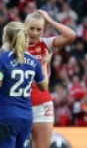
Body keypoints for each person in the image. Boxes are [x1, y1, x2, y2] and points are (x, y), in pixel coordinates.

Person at [0, 22, 49, 148]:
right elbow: (44, 86)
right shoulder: (34, 61)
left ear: (6, 38)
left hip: (6, 116)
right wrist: (44, 65)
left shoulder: (0, 59)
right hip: (26, 117)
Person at [23, 10, 76, 148]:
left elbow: (71, 35)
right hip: (20, 103)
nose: (35, 32)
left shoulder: (46, 44)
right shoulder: (12, 46)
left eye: (39, 29)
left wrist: (50, 21)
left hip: (42, 104)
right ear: (24, 27)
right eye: (32, 28)